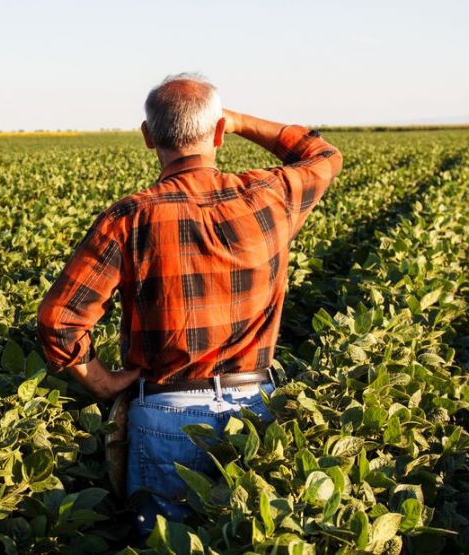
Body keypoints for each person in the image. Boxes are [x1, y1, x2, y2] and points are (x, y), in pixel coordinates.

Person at [35, 73, 342, 536]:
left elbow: (60, 320)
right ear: (219, 133)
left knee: (167, 544)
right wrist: (239, 121)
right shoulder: (270, 196)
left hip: (164, 412)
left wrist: (101, 382)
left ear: (147, 136)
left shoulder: (130, 217)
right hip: (254, 410)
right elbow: (322, 155)